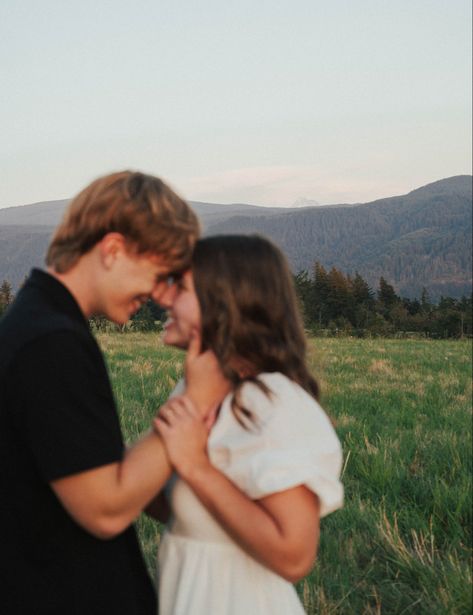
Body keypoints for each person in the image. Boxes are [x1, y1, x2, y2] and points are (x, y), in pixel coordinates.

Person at [0, 170, 204, 615]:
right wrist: (199, 399)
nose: (157, 296)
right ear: (112, 249)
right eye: (157, 273)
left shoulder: (39, 323)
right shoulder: (50, 342)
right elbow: (105, 509)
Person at [154, 234, 344, 615]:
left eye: (182, 287)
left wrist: (195, 466)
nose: (164, 297)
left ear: (224, 302)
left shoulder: (271, 402)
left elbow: (294, 556)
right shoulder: (198, 388)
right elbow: (168, 505)